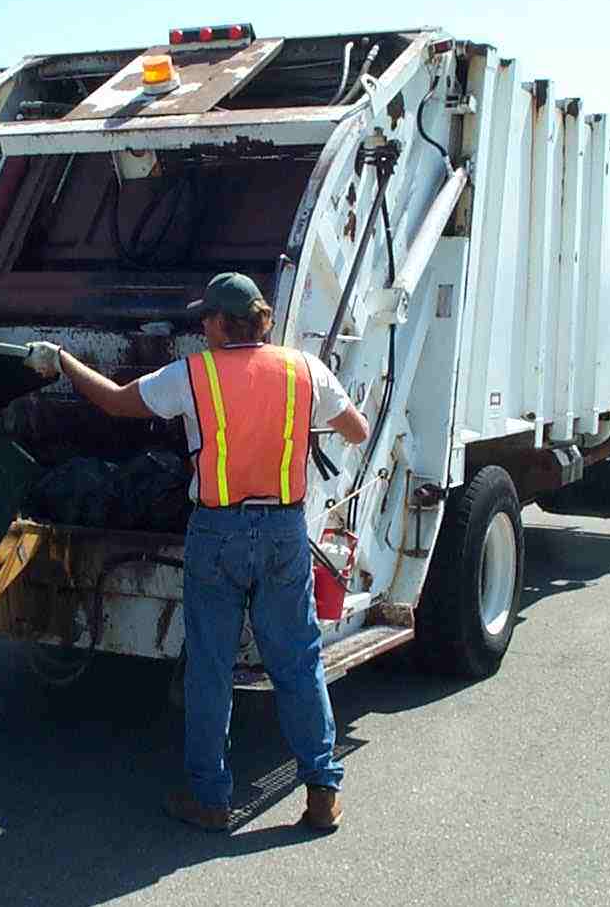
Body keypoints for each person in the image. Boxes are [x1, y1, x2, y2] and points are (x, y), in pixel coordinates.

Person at [24, 272, 369, 834]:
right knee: (299, 661)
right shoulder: (305, 370)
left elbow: (114, 402)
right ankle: (322, 791)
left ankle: (210, 798)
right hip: (283, 532)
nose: (200, 325)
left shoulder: (194, 375)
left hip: (218, 531)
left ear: (219, 323)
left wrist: (63, 359)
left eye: (204, 317)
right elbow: (355, 431)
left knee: (209, 665)